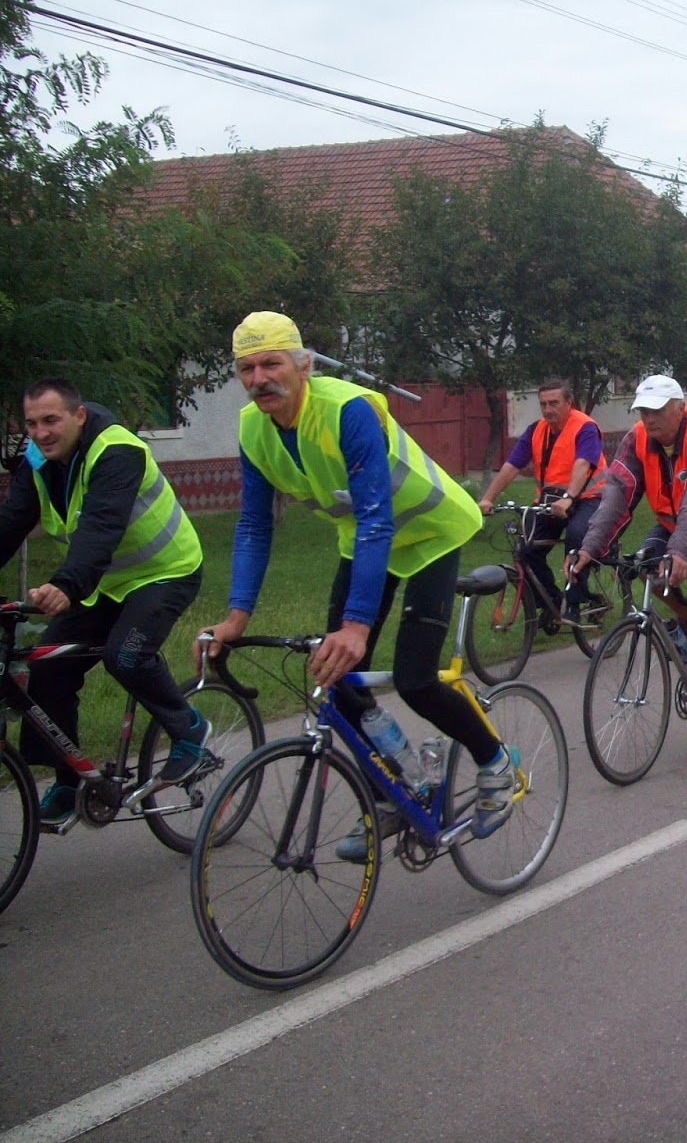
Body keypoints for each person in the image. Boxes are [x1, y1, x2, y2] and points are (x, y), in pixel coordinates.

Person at [199, 312, 511, 858]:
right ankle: (395, 790)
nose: (258, 379)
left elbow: (374, 515)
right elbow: (253, 524)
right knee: (336, 679)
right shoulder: (253, 428)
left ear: (304, 365)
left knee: (414, 679)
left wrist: (356, 626)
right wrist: (235, 618)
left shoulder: (348, 409)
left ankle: (495, 761)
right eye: (246, 368)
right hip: (366, 544)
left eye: (271, 364)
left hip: (431, 532)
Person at [0, 379, 209, 827]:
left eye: (51, 420)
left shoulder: (117, 450)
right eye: (32, 424)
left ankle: (188, 728)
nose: (40, 433)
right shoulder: (38, 461)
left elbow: (102, 524)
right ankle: (68, 781)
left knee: (126, 655)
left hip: (164, 571)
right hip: (104, 583)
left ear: (78, 416)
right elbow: (9, 523)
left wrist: (66, 583)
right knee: (46, 667)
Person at [571, 375, 687, 741]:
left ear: (679, 408)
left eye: (657, 410)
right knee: (642, 566)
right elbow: (617, 495)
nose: (649, 418)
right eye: (643, 411)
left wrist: (681, 553)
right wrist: (590, 547)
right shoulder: (637, 439)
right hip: (676, 523)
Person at [477, 378, 607, 627]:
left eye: (554, 403)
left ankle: (574, 604)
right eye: (543, 404)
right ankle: (551, 601)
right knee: (525, 549)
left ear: (569, 402)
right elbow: (512, 466)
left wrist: (569, 498)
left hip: (589, 498)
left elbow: (583, 464)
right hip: (552, 502)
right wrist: (487, 498)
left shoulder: (585, 427)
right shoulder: (536, 430)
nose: (548, 409)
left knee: (577, 538)